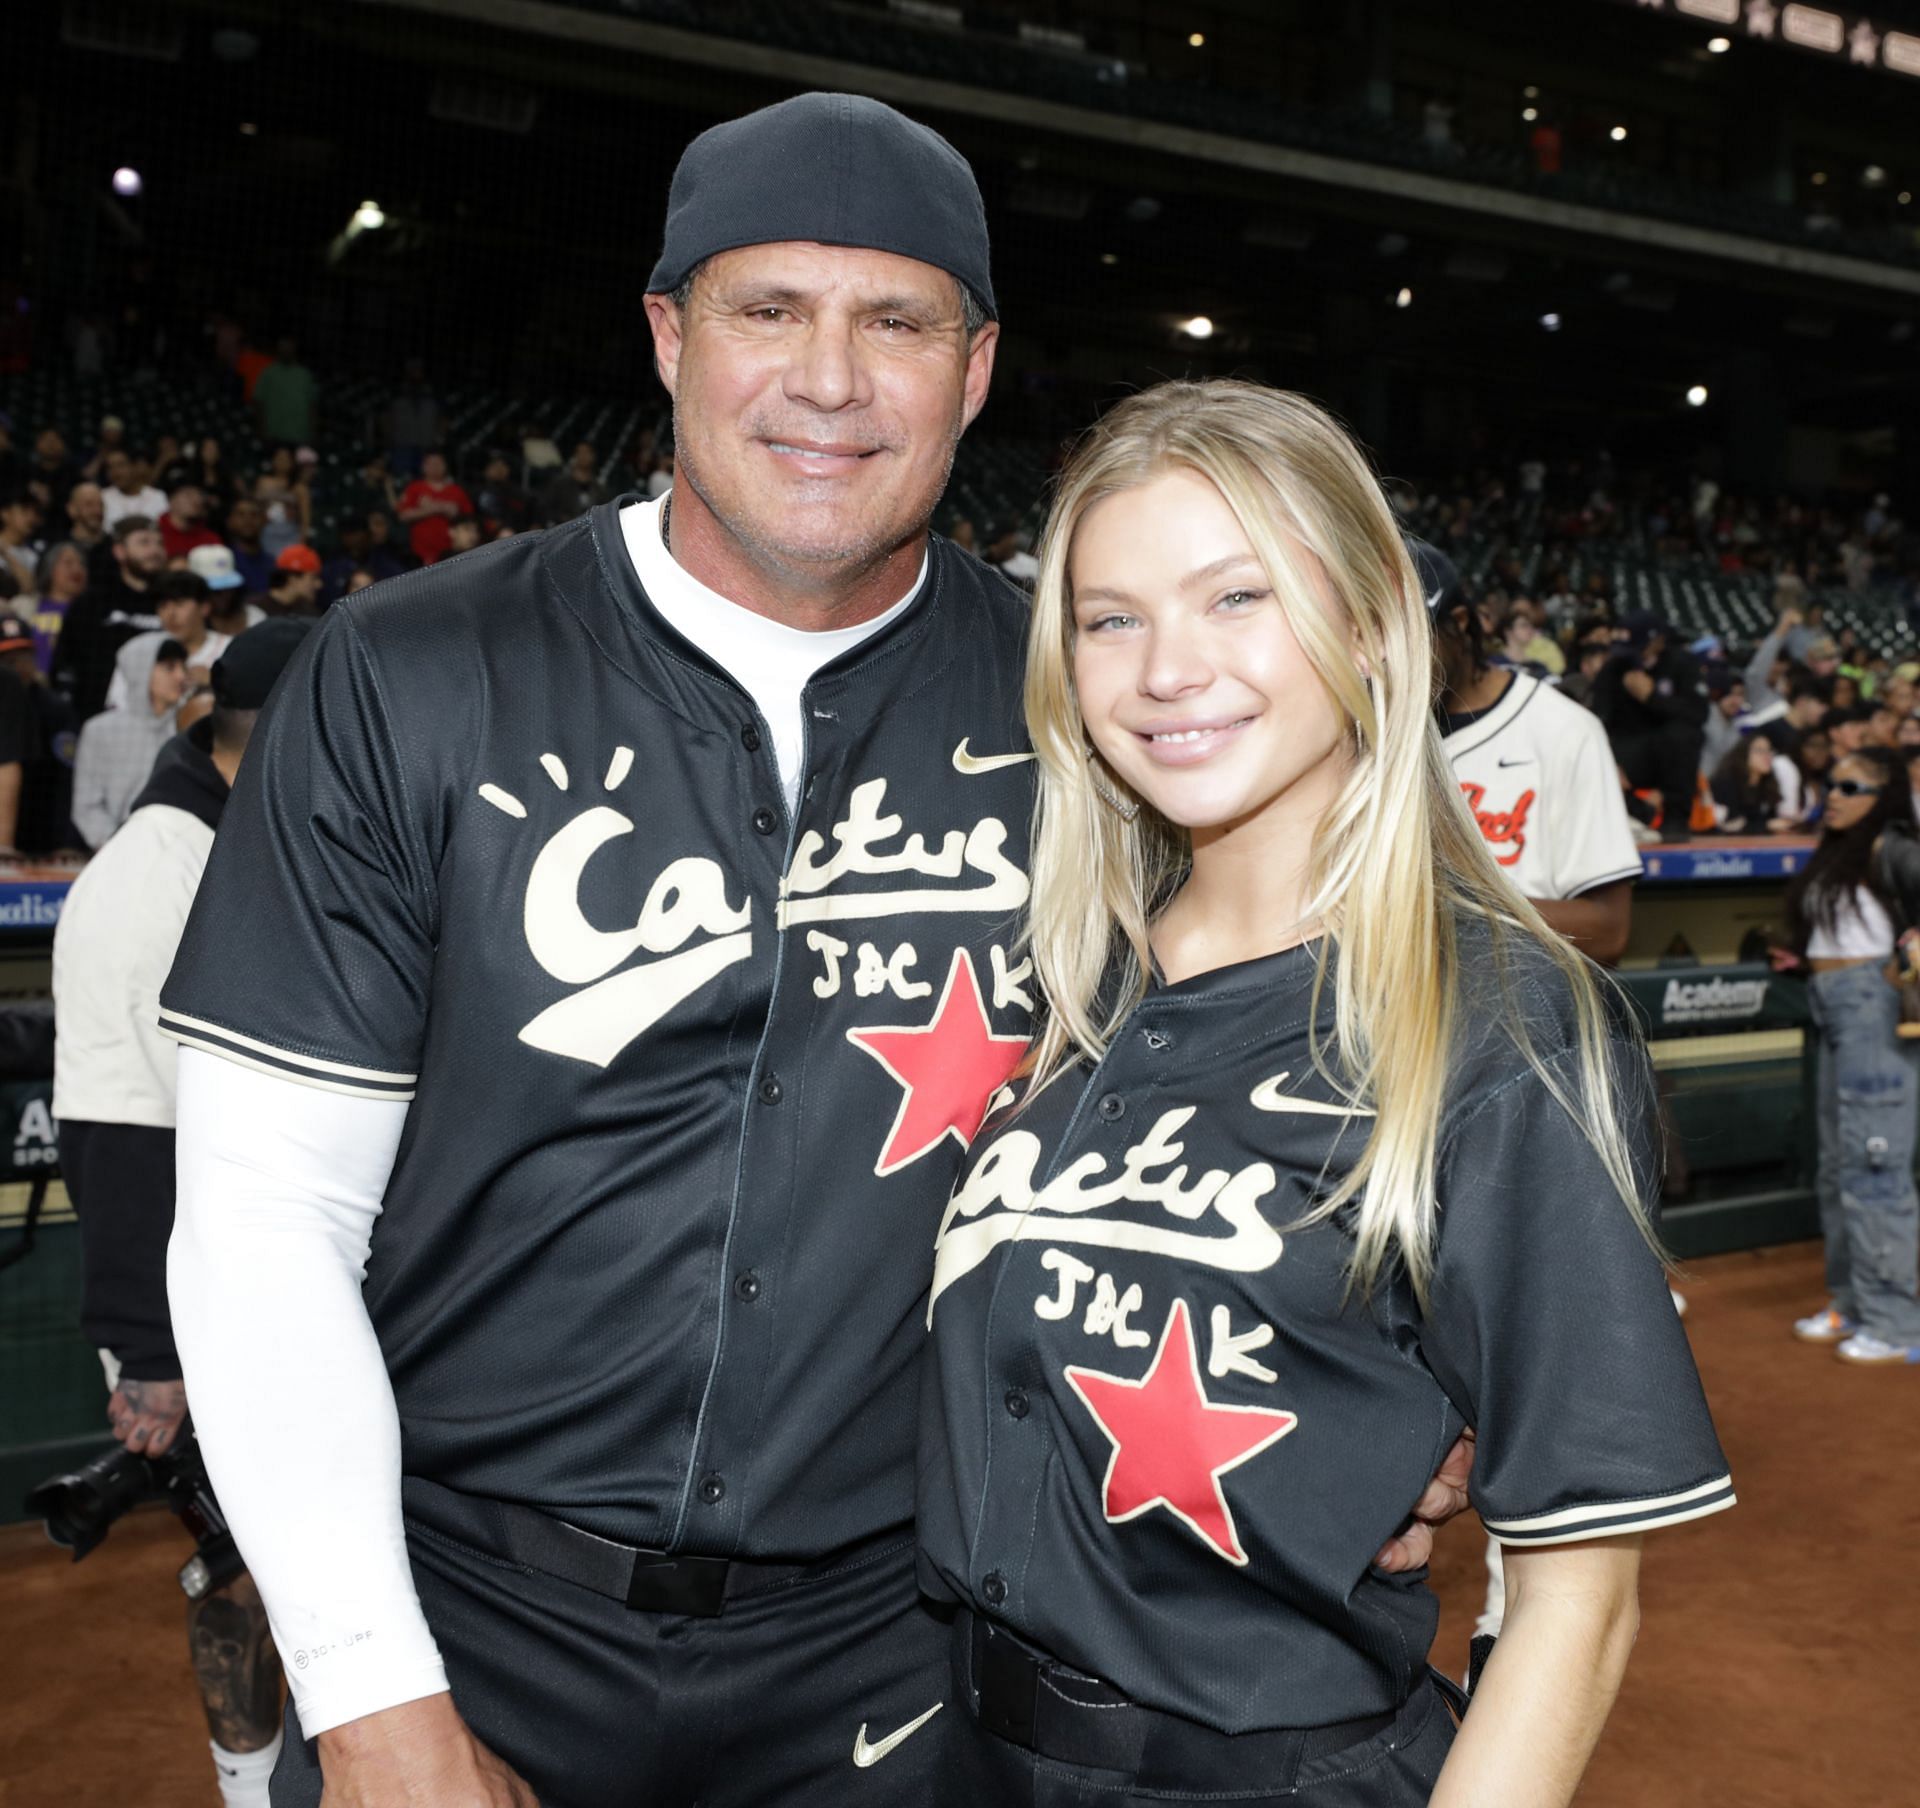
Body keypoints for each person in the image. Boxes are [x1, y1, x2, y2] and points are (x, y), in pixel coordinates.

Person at [161, 94, 1474, 1808]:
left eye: (897, 322)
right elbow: (267, 1215)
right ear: (667, 334)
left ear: (979, 367)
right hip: (466, 1606)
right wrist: (369, 1687)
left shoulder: (1095, 702)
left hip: (905, 1636)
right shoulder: (409, 668)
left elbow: (1359, 1017)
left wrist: (1427, 1366)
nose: (831, 380)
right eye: (769, 309)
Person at [923, 379, 1733, 1808]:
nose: (1167, 668)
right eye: (1110, 617)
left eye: (1237, 597)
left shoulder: (1499, 1016)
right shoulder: (1054, 982)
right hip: (965, 1752)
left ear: (1369, 624)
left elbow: (1577, 1601)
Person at [53, 621, 312, 1808]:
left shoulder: (256, 838)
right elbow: (114, 1125)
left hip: (285, 1284)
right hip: (195, 1317)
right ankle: (250, 1788)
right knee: (248, 1570)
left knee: (306, 1563)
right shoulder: (150, 872)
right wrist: (153, 1358)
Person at [1771, 745, 1920, 1364]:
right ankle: (1854, 1302)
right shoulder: (1838, 852)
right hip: (1832, 998)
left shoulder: (1891, 846)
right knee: (1839, 1164)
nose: (1834, 794)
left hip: (1873, 1004)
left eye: (1851, 786)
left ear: (1880, 798)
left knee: (1875, 1162)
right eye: (1831, 782)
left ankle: (1897, 1321)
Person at [1431, 542, 1639, 963]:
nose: (1382, 659)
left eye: (1402, 636)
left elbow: (1608, 931)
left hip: (1513, 1007)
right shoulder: (1360, 731)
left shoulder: (1563, 730)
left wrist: (1449, 917)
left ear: (1457, 624)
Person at [1591, 612, 1709, 843]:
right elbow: (1598, 719)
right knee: (1594, 752)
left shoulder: (1682, 663)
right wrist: (1608, 760)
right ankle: (1635, 814)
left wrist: (1652, 698)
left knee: (1682, 736)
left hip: (1670, 754)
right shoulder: (1613, 668)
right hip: (1629, 749)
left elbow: (1697, 714)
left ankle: (1676, 818)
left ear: (1658, 641)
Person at [70, 635, 187, 848]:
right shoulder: (100, 730)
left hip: (181, 848)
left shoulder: (189, 727)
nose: (181, 676)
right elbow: (86, 806)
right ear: (140, 670)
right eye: (169, 668)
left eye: (182, 667)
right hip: (114, 851)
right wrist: (122, 846)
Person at [52, 515, 166, 721]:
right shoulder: (92, 602)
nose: (155, 551)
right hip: (100, 717)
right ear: (119, 551)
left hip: (161, 717)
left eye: (159, 543)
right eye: (144, 542)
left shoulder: (174, 601)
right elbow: (65, 663)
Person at [108, 570, 232, 708]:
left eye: (179, 604)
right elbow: (116, 707)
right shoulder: (138, 652)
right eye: (163, 606)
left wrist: (217, 682)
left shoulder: (232, 648)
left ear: (204, 607)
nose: (170, 614)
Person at [396, 448, 472, 564]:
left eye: (438, 463)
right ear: (423, 466)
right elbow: (403, 515)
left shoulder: (456, 491)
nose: (435, 467)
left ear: (445, 466)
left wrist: (447, 509)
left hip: (452, 555)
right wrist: (437, 508)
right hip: (418, 556)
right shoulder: (414, 488)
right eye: (431, 463)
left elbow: (469, 517)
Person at [30, 541, 90, 675]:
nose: (77, 569)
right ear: (50, 569)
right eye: (68, 563)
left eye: (82, 564)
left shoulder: (91, 613)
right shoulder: (26, 605)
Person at [252, 336, 319, 447]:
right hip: (273, 435)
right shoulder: (268, 373)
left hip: (299, 435)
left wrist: (313, 433)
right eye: (283, 347)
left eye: (289, 347)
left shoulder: (304, 375)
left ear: (294, 349)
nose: (286, 350)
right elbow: (258, 402)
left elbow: (313, 406)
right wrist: (261, 430)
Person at [538, 439, 610, 525]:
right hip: (562, 530)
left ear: (593, 456)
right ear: (574, 456)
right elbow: (546, 508)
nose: (583, 456)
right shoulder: (560, 484)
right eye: (580, 452)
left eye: (587, 452)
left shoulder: (599, 489)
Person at [100, 447, 168, 530]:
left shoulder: (158, 497)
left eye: (121, 465)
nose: (115, 472)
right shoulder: (102, 497)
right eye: (110, 467)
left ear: (135, 466)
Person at [158, 479, 224, 562]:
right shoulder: (155, 533)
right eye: (188, 494)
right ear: (171, 500)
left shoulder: (210, 539)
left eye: (200, 495)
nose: (196, 500)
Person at [223, 496, 277, 595]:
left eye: (254, 515)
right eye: (241, 515)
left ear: (264, 520)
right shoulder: (222, 561)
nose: (248, 520)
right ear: (229, 521)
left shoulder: (273, 564)